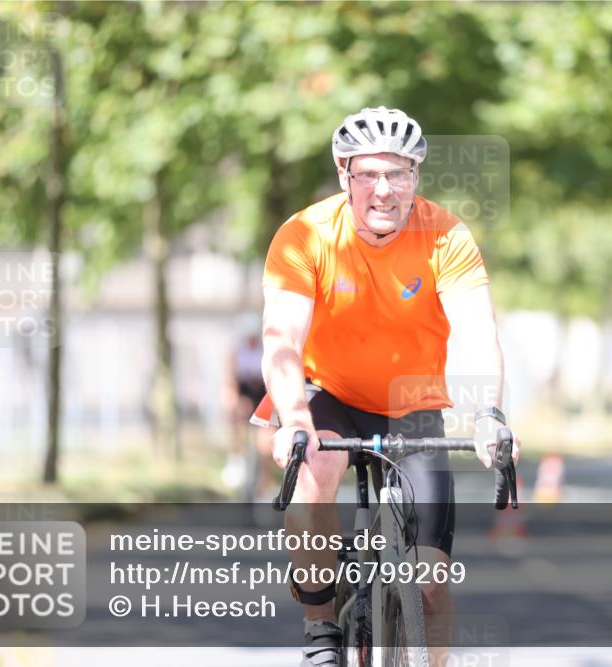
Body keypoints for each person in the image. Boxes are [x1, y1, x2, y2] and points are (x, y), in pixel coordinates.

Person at [261, 106, 520, 667]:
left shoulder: (446, 235)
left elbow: (478, 333)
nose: (384, 190)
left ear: (416, 178)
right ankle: (320, 627)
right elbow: (281, 338)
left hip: (413, 403)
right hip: (328, 390)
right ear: (343, 175)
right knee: (315, 470)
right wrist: (294, 421)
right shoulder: (304, 235)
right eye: (369, 174)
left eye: (398, 173)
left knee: (429, 582)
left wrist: (489, 414)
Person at [221, 319, 275, 500]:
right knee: (234, 413)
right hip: (244, 394)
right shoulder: (237, 353)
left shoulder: (266, 351)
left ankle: (264, 481)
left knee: (266, 439)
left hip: (263, 394)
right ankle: (236, 458)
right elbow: (230, 381)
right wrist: (234, 401)